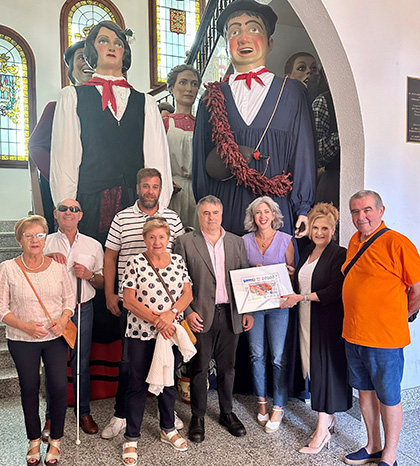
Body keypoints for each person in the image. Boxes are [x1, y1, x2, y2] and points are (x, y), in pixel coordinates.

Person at [193, 0, 316, 238]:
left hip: (274, 210)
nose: (243, 38)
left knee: (273, 272)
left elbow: (304, 152)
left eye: (253, 29)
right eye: (234, 32)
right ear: (227, 46)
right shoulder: (212, 96)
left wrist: (304, 207)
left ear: (270, 43)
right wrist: (204, 207)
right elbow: (201, 158)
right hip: (225, 209)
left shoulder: (291, 93)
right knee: (223, 272)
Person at [50, 20, 172, 244]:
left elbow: (156, 157)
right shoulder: (73, 96)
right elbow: (65, 155)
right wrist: (66, 203)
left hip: (135, 201)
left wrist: (158, 205)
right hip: (91, 198)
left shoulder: (145, 102)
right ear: (92, 49)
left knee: (135, 265)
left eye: (118, 43)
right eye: (103, 41)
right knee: (90, 268)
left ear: (125, 52)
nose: (112, 47)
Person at [102, 167, 184, 439]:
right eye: (145, 186)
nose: (150, 191)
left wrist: (178, 309)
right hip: (134, 305)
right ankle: (121, 414)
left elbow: (181, 258)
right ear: (138, 188)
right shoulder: (122, 217)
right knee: (129, 363)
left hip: (168, 310)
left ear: (161, 189)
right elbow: (111, 256)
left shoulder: (172, 217)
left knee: (167, 361)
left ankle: (167, 417)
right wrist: (110, 293)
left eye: (155, 186)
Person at [342, 190, 420, 466]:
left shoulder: (398, 243)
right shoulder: (354, 241)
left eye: (366, 210)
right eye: (355, 211)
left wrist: (403, 314)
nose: (360, 216)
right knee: (364, 392)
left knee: (389, 396)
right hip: (353, 333)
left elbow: (417, 289)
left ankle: (390, 454)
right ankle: (373, 445)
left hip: (385, 339)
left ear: (381, 211)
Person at [174, 195, 254, 443]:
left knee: (228, 368)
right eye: (206, 213)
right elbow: (179, 282)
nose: (210, 218)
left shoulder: (236, 242)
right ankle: (197, 416)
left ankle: (226, 413)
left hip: (230, 313)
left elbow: (244, 278)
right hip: (200, 315)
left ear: (221, 215)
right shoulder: (184, 242)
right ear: (199, 215)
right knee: (199, 368)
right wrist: (188, 313)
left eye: (215, 213)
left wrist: (247, 310)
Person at [0, 215, 74, 466]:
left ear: (45, 238)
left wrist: (64, 320)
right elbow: (1, 309)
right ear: (19, 240)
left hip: (55, 337)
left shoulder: (58, 268)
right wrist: (25, 326)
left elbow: (68, 300)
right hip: (22, 339)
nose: (34, 240)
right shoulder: (8, 268)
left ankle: (56, 440)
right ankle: (33, 440)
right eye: (28, 235)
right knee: (29, 388)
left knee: (58, 387)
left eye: (39, 235)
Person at [121, 217, 193, 465]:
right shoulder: (135, 262)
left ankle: (168, 429)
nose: (157, 241)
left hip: (169, 333)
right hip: (142, 333)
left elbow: (187, 293)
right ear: (145, 239)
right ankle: (131, 438)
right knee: (137, 384)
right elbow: (129, 300)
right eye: (152, 237)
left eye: (161, 237)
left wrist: (170, 315)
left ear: (168, 238)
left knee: (168, 382)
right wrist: (157, 320)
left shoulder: (178, 261)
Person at [281, 203, 352, 454]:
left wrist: (301, 298)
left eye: (325, 228)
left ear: (333, 229)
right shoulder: (308, 252)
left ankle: (322, 432)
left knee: (325, 371)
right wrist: (289, 273)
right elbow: (304, 281)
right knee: (312, 366)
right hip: (305, 319)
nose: (320, 232)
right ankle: (328, 418)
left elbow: (334, 292)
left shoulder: (338, 254)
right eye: (316, 227)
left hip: (326, 322)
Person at [42, 199, 104, 437]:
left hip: (82, 308)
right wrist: (46, 260)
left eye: (74, 209)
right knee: (53, 366)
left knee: (81, 363)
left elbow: (101, 282)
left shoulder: (93, 245)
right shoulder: (43, 243)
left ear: (81, 215)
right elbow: (27, 268)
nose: (69, 212)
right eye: (64, 209)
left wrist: (89, 275)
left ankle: (83, 411)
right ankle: (50, 417)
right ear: (55, 214)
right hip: (52, 312)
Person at [242, 196, 294, 433]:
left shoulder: (286, 241)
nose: (262, 216)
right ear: (253, 217)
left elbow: (292, 276)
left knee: (277, 357)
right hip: (253, 306)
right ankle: (262, 401)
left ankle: (279, 406)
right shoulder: (244, 241)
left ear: (274, 215)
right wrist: (253, 272)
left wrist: (280, 271)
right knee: (256, 355)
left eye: (267, 211)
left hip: (278, 306)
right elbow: (239, 274)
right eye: (257, 212)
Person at [28, 40, 92, 233]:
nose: (88, 63)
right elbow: (36, 146)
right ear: (71, 70)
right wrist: (60, 177)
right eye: (82, 57)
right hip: (65, 189)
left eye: (92, 58)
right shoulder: (55, 108)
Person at [163, 64, 201, 230]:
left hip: (199, 190)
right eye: (183, 83)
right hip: (172, 192)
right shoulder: (163, 124)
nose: (189, 89)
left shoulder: (203, 125)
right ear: (171, 88)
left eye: (194, 84)